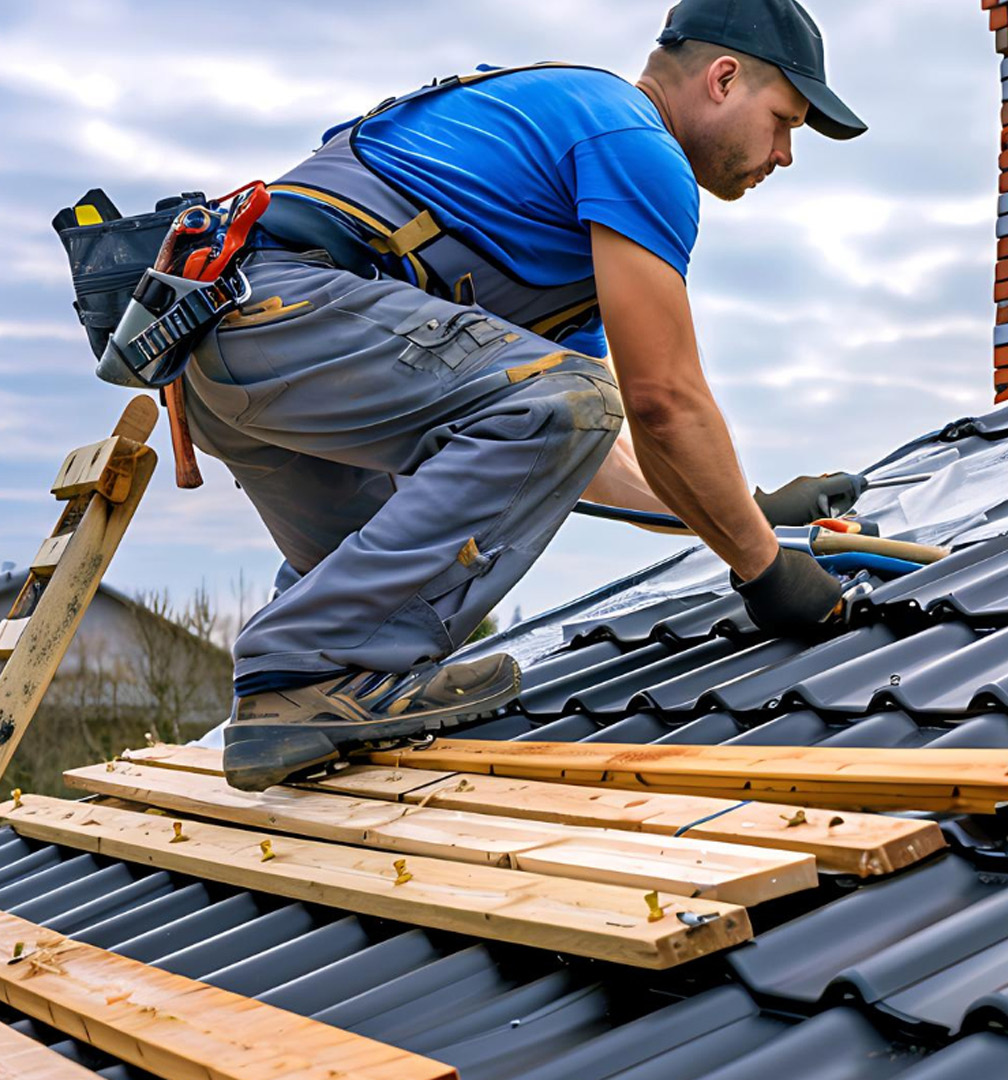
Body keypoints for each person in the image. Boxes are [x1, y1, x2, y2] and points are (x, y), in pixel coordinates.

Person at [185, 0, 869, 790]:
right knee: (567, 404)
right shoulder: (635, 143)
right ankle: (296, 670)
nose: (784, 153)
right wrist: (766, 572)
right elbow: (656, 402)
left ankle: (315, 690)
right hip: (291, 313)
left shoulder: (562, 197)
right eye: (785, 120)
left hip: (241, 357)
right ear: (723, 79)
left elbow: (575, 446)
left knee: (393, 586)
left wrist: (743, 511)